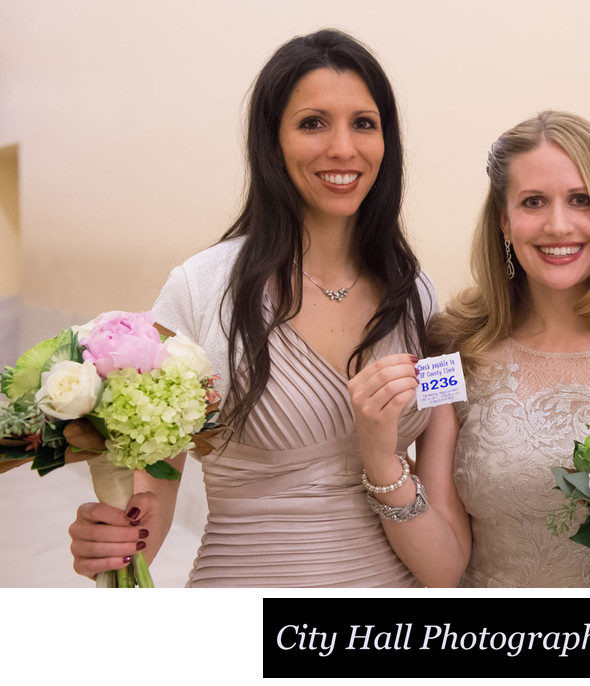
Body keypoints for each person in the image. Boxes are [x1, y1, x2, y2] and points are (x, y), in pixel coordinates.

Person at [67, 29, 436, 587]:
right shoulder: (199, 290)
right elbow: (156, 480)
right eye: (313, 122)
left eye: (364, 123)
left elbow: (444, 494)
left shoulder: (417, 296)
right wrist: (119, 537)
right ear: (272, 140)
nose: (343, 148)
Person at [348, 110, 590, 587]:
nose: (557, 224)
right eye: (533, 202)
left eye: (580, 200)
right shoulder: (453, 350)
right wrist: (381, 459)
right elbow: (442, 569)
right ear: (505, 223)